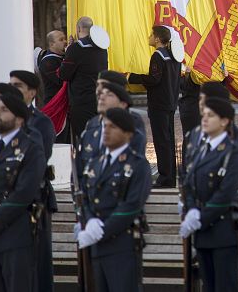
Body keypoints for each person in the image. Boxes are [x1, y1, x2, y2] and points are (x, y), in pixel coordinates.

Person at [0, 93, 46, 291]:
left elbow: (24, 193)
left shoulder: (30, 146)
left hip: (16, 238)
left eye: (4, 110)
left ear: (19, 118)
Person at [77, 107, 151, 292]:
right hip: (96, 246)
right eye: (105, 126)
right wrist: (89, 220)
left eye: (113, 127)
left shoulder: (137, 164)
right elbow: (85, 196)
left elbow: (132, 204)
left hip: (122, 246)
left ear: (127, 133)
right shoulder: (96, 162)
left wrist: (102, 229)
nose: (106, 131)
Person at [179, 97, 238, 292]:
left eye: (211, 116)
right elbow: (189, 183)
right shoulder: (201, 150)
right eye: (204, 115)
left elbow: (226, 193)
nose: (205, 119)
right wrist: (191, 209)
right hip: (203, 234)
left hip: (223, 232)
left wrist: (200, 217)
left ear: (224, 121)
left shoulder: (233, 152)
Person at [9, 70, 58, 292]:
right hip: (7, 204)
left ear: (32, 92)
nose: (12, 91)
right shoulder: (5, 121)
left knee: (37, 268)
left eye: (18, 86)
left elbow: (37, 163)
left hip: (33, 204)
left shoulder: (41, 123)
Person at [128, 25, 181, 188]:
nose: (149, 37)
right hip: (170, 101)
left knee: (161, 141)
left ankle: (165, 178)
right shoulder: (174, 55)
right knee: (168, 140)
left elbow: (154, 79)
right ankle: (170, 176)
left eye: (152, 35)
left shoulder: (157, 56)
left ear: (158, 39)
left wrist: (132, 77)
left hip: (159, 103)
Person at [77, 81, 147, 173]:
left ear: (123, 104)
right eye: (101, 93)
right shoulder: (90, 129)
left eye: (109, 95)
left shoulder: (134, 129)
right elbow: (80, 171)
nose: (101, 97)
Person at [59, 17, 109, 138]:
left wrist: (68, 52)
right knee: (97, 138)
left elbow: (64, 74)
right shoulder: (102, 49)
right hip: (98, 99)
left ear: (79, 28)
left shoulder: (75, 49)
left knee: (83, 140)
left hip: (81, 101)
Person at [180, 81, 233, 182]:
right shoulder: (195, 134)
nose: (201, 104)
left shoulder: (231, 143)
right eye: (201, 100)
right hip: (190, 102)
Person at [38, 30, 67, 106]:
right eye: (61, 40)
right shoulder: (47, 61)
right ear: (52, 44)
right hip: (54, 104)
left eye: (65, 38)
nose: (65, 41)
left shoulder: (62, 56)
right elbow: (61, 80)